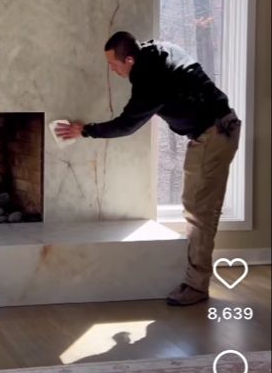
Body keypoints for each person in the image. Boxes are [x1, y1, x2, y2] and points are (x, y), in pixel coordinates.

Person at [56, 31, 241, 306]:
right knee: (197, 208)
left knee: (200, 211)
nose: (112, 69)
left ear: (129, 59)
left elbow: (127, 124)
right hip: (214, 129)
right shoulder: (156, 50)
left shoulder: (150, 78)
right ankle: (195, 279)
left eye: (114, 64)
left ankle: (196, 285)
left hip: (214, 133)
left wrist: (86, 131)